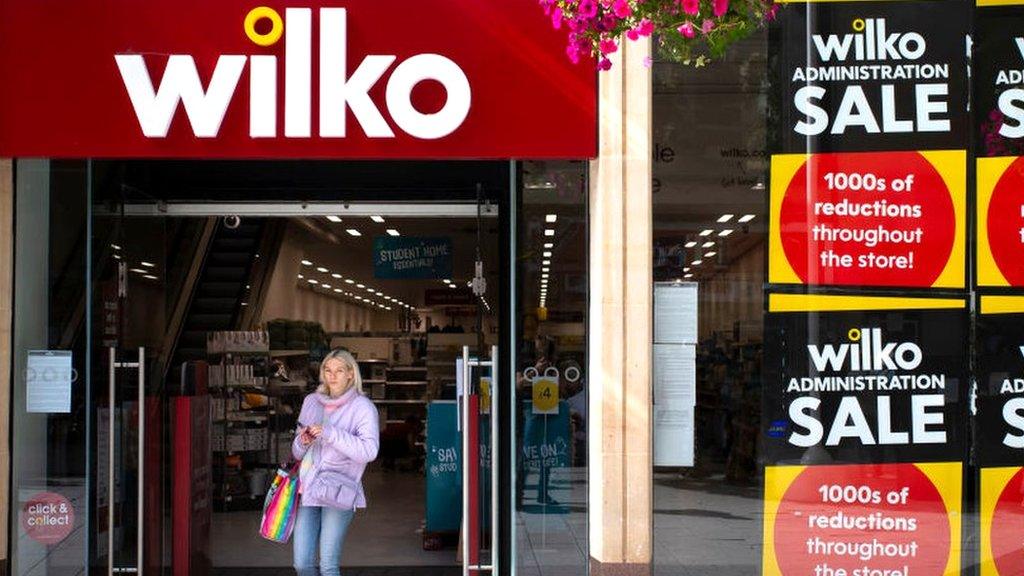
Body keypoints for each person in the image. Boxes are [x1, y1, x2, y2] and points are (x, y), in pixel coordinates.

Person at [291, 349, 380, 576]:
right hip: (308, 489)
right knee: (302, 563)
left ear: (351, 374)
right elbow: (296, 452)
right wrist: (303, 441)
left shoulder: (363, 407)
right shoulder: (311, 401)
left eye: (339, 370)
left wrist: (330, 434)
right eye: (328, 370)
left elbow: (369, 451)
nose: (332, 376)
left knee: (328, 565)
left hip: (339, 490)